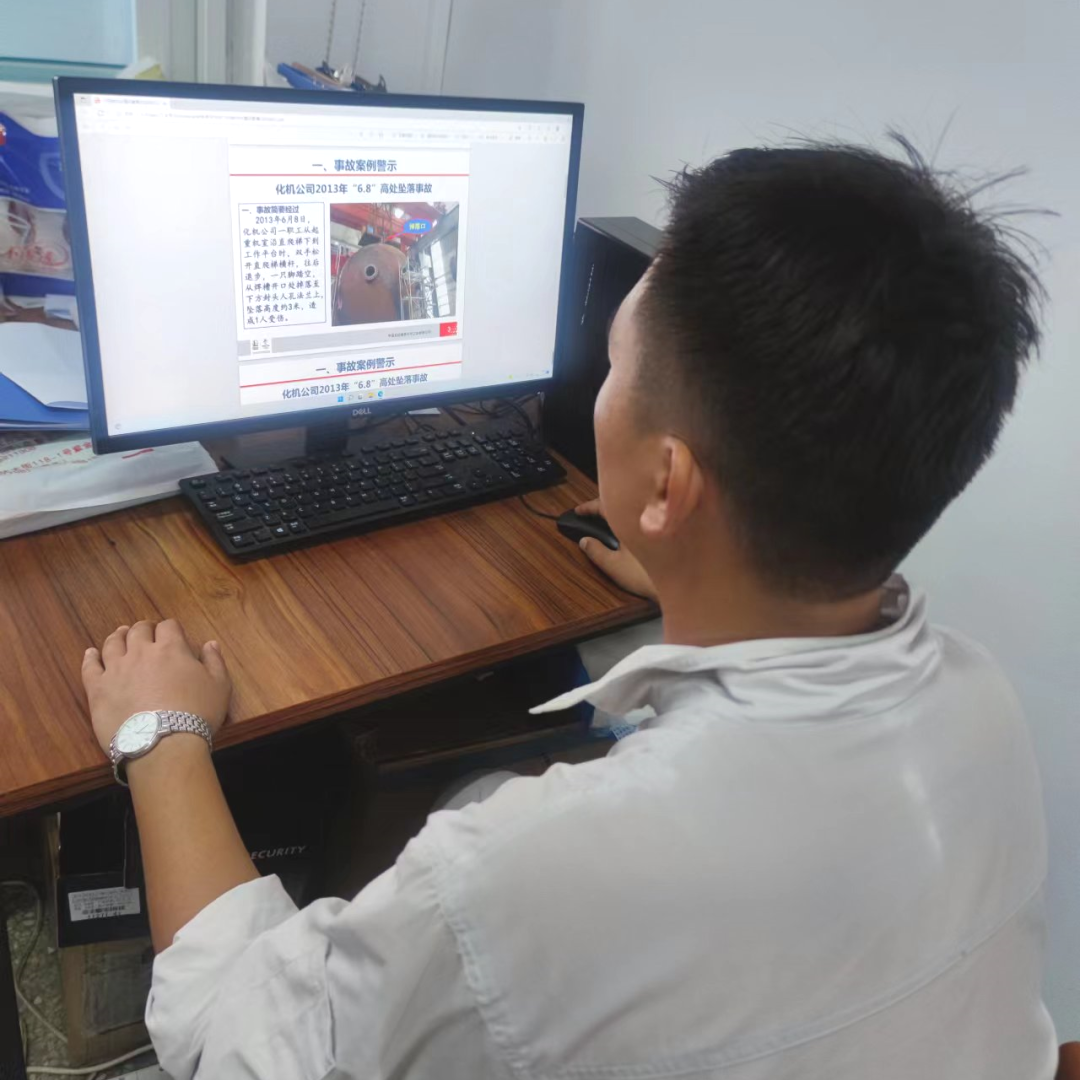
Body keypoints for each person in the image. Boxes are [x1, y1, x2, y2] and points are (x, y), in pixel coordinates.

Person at [81, 139, 1056, 1079]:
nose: (604, 385)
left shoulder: (514, 876)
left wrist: (161, 735)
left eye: (617, 364)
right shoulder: (982, 705)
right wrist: (689, 566)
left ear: (667, 482)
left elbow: (235, 1041)